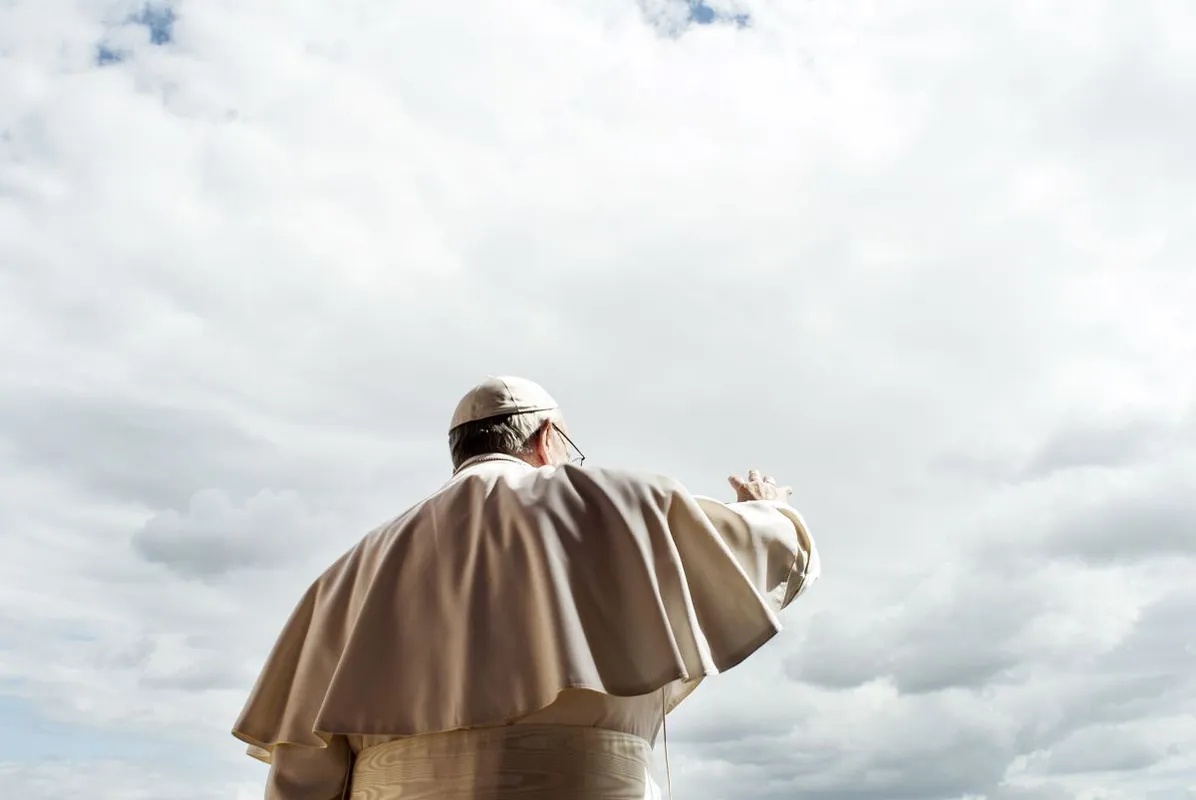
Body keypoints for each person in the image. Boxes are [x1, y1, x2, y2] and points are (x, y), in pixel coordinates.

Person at [232, 376, 821, 800]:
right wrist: (768, 509)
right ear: (545, 440)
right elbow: (761, 551)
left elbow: (303, 778)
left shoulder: (347, 574)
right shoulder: (614, 509)